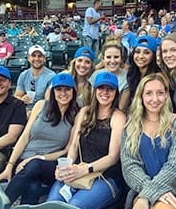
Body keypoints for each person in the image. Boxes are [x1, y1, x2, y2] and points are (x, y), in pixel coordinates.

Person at [47, 71, 127, 209]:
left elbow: (113, 157)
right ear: (95, 90)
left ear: (116, 93)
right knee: (52, 203)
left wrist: (84, 170)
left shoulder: (118, 117)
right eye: (101, 88)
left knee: (74, 206)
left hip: (105, 176)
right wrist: (66, 168)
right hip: (77, 169)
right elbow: (74, 146)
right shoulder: (85, 112)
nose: (105, 92)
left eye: (110, 89)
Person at [0, 73, 79, 205]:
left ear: (73, 92)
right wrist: (10, 165)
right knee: (32, 188)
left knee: (35, 165)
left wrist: (38, 158)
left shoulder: (76, 114)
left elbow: (67, 149)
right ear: (53, 92)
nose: (63, 93)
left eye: (67, 89)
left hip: (48, 163)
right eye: (59, 89)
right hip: (24, 161)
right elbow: (24, 137)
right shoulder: (41, 105)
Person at [121, 73, 176, 209]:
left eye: (160, 93)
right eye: (149, 93)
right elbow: (129, 165)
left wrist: (149, 193)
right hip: (143, 188)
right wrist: (151, 192)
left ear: (166, 95)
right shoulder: (131, 127)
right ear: (141, 96)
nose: (154, 99)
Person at [14, 45, 56, 116]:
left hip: (43, 111)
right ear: (29, 58)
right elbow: (17, 95)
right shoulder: (23, 75)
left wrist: (33, 113)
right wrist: (22, 99)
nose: (37, 59)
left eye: (40, 56)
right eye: (33, 56)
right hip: (25, 109)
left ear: (44, 59)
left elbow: (48, 102)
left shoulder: (51, 76)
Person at [89, 42, 130, 111]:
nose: (112, 61)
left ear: (121, 58)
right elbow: (92, 102)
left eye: (116, 57)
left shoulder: (127, 77)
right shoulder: (96, 75)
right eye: (108, 57)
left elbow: (121, 107)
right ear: (103, 58)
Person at [127, 35, 161, 102]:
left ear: (153, 56)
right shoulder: (132, 74)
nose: (141, 56)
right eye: (137, 52)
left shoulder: (158, 77)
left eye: (146, 53)